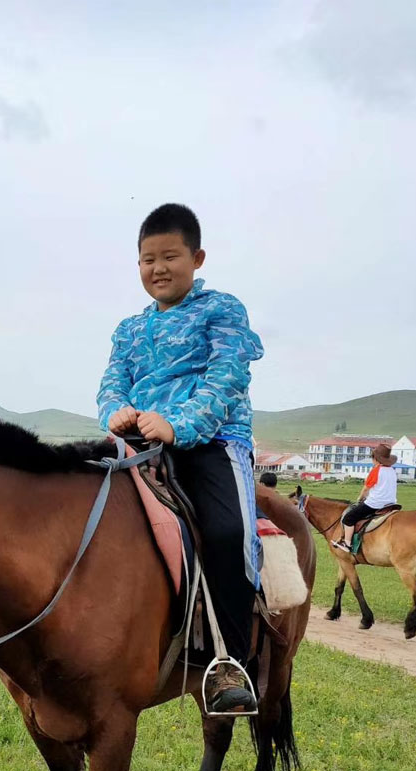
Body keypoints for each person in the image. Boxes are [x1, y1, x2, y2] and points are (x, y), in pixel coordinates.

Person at [97, 203, 263, 714]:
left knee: (225, 532)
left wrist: (179, 424)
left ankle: (230, 664)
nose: (158, 268)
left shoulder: (223, 310)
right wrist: (116, 414)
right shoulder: (128, 329)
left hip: (213, 442)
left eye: (170, 256)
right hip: (140, 444)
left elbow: (228, 377)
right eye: (148, 259)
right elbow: (110, 384)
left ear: (197, 257)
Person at [332, 443, 398, 553]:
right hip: (391, 503)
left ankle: (347, 544)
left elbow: (366, 489)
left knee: (348, 518)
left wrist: (360, 498)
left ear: (376, 459)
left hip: (375, 504)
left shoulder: (376, 470)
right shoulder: (392, 470)